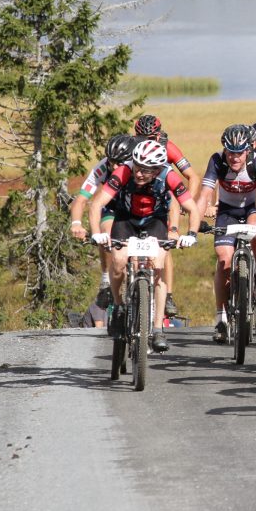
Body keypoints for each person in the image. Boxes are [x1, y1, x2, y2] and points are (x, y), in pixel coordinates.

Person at [88, 139, 201, 353]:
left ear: (157, 169)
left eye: (145, 170)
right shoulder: (123, 171)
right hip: (126, 219)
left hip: (155, 221)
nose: (139, 174)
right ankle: (119, 306)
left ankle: (157, 329)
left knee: (158, 266)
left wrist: (191, 235)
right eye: (137, 167)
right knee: (118, 261)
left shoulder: (169, 176)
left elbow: (191, 208)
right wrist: (96, 233)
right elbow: (97, 204)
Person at [196, 124, 256, 343]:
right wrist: (195, 224)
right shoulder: (217, 161)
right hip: (227, 212)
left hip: (252, 209)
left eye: (239, 153)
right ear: (225, 150)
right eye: (230, 152)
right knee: (223, 260)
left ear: (248, 151)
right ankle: (221, 318)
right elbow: (205, 194)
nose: (235, 158)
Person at [133, 114, 200, 322]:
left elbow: (192, 176)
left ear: (159, 135)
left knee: (165, 247)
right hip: (137, 202)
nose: (146, 141)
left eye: (151, 138)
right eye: (141, 138)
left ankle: (168, 295)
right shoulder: (133, 149)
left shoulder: (169, 148)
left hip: (164, 201)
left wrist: (186, 203)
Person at [70, 134, 137, 322]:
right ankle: (106, 280)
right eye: (111, 162)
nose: (114, 167)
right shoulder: (101, 167)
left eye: (119, 163)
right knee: (107, 233)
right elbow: (81, 200)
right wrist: (76, 224)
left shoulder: (141, 166)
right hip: (113, 208)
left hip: (138, 210)